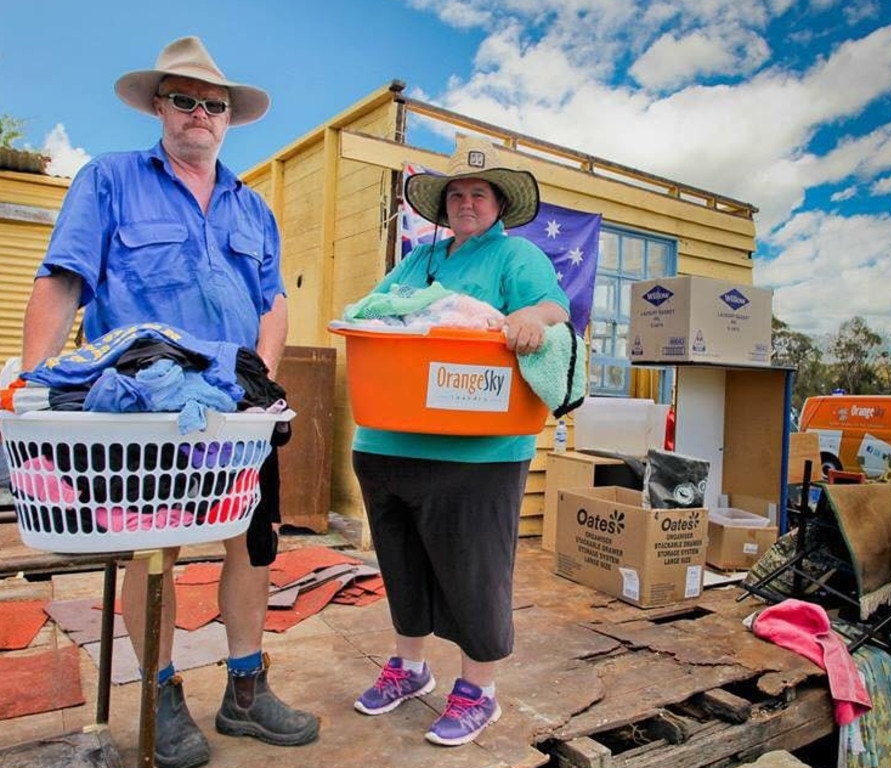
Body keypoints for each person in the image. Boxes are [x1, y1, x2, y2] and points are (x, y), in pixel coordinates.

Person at [19, 36, 319, 768]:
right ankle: (161, 695)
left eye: (212, 104)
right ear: (160, 106)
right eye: (183, 99)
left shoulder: (254, 207)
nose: (199, 113)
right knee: (152, 556)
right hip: (143, 411)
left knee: (252, 542)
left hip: (236, 412)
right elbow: (63, 279)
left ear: (228, 119)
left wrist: (261, 378)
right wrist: (29, 380)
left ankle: (245, 691)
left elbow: (272, 300)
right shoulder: (111, 180)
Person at [350, 136, 570, 746]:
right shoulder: (420, 259)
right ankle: (410, 667)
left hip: (476, 452)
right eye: (455, 194)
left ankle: (479, 689)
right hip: (388, 441)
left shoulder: (515, 257)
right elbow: (375, 308)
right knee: (403, 564)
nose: (466, 202)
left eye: (478, 192)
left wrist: (533, 319)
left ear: (498, 203)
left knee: (474, 571)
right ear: (441, 205)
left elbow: (553, 306)